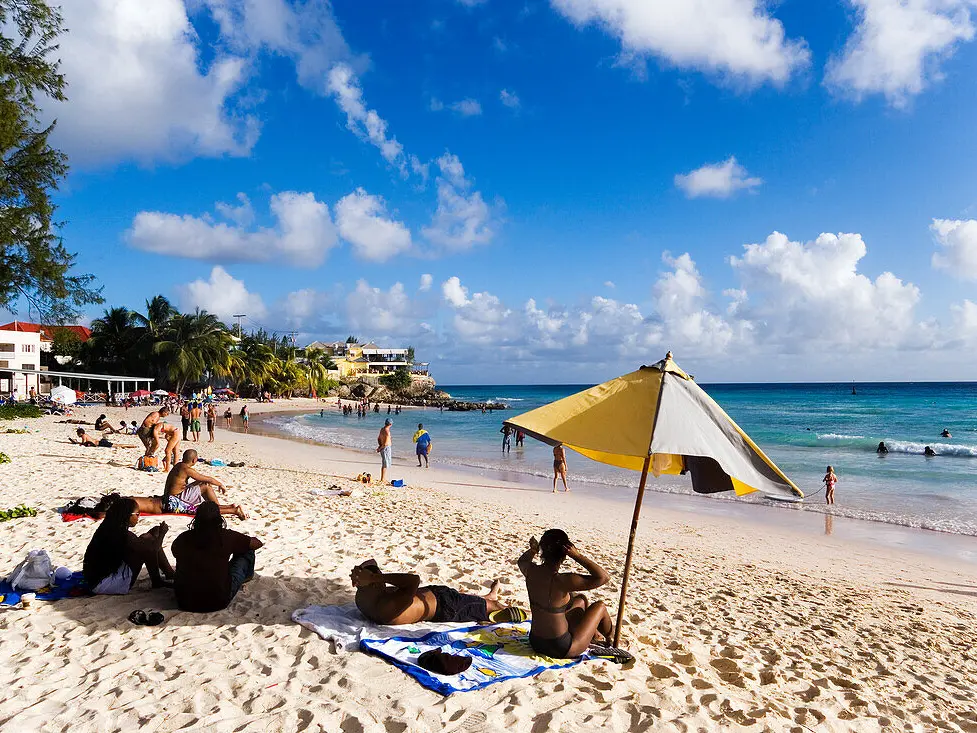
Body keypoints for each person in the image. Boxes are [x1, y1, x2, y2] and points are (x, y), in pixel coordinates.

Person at [518, 529, 613, 659]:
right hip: (561, 648)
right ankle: (610, 639)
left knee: (580, 600)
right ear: (564, 554)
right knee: (600, 606)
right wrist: (577, 556)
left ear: (543, 550)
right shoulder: (563, 580)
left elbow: (522, 561)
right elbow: (603, 577)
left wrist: (533, 550)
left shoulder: (531, 570)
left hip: (536, 642)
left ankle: (594, 635)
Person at [350, 559, 522, 625]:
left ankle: (487, 597)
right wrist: (375, 578)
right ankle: (530, 612)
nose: (383, 579)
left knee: (474, 600)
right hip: (447, 606)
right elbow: (413, 581)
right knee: (495, 606)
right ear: (373, 583)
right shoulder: (386, 606)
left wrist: (366, 575)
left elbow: (371, 561)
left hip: (438, 595)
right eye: (379, 577)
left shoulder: (363, 596)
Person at [172, 501, 262, 612]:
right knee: (247, 550)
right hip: (218, 600)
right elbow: (257, 544)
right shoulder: (225, 536)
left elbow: (175, 552)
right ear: (219, 519)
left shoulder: (183, 538)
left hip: (184, 601)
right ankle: (247, 576)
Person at [83, 497, 173, 594]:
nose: (139, 517)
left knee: (147, 539)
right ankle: (158, 580)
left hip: (97, 579)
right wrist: (162, 534)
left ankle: (167, 574)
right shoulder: (121, 534)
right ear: (127, 515)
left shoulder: (109, 527)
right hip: (103, 584)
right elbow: (152, 549)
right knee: (148, 545)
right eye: (137, 514)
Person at [164, 449, 246, 519]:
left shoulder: (179, 465)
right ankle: (220, 508)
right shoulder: (187, 469)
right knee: (206, 485)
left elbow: (202, 479)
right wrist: (220, 484)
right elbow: (208, 479)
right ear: (194, 460)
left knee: (203, 482)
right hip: (176, 498)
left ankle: (221, 507)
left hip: (172, 494)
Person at [377, 418, 393, 483]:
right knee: (385, 464)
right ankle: (382, 478)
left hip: (383, 447)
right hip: (386, 448)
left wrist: (380, 445)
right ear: (390, 424)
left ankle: (383, 478)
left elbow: (378, 438)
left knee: (385, 463)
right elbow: (386, 442)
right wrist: (381, 447)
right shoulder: (387, 431)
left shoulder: (382, 429)